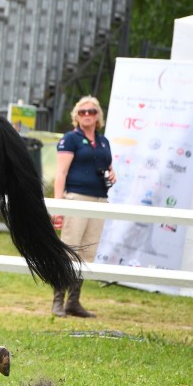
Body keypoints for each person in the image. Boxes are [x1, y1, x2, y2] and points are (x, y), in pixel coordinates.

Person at [50, 95, 116, 318]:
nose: (87, 115)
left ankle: (74, 301)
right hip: (76, 198)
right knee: (70, 249)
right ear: (76, 116)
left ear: (98, 116)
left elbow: (107, 166)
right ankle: (58, 300)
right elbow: (61, 173)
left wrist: (112, 174)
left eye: (92, 112)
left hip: (99, 200)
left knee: (88, 252)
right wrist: (58, 205)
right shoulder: (71, 139)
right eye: (82, 112)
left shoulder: (104, 141)